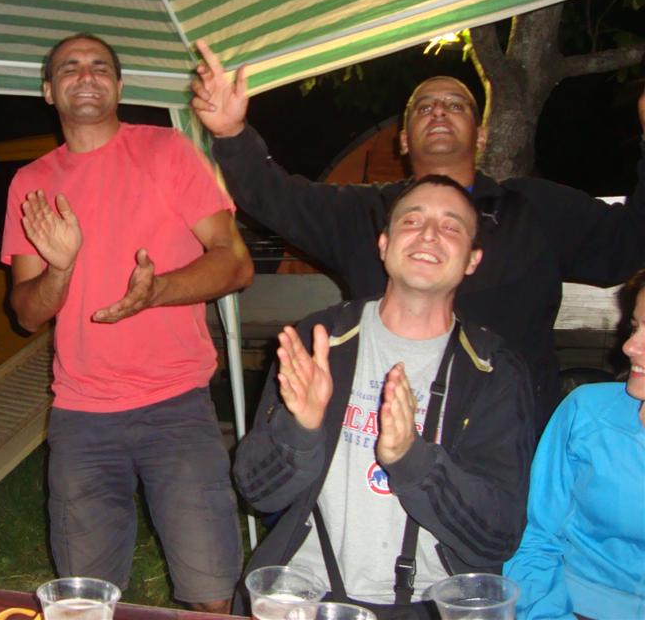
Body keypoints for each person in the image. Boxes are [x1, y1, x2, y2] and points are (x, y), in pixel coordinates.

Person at [191, 41, 645, 432]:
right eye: (424, 108)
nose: (439, 111)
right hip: (387, 427)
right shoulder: (365, 213)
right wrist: (231, 134)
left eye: (456, 105)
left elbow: (628, 244)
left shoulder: (536, 209)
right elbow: (277, 198)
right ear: (404, 140)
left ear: (481, 135)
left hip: (508, 438)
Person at [0, 34, 254, 612]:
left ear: (118, 86)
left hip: (177, 405)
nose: (85, 76)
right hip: (81, 417)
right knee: (85, 603)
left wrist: (157, 290)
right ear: (48, 91)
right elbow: (27, 314)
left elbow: (236, 263)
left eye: (100, 67)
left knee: (212, 595)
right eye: (69, 68)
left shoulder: (168, 151)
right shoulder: (30, 184)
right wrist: (60, 268)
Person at [233, 175, 535, 616]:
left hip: (432, 605)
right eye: (412, 220)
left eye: (450, 226)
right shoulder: (322, 339)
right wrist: (300, 430)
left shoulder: (492, 371)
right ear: (383, 244)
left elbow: (497, 534)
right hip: (305, 595)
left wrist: (412, 460)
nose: (428, 234)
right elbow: (257, 492)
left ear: (472, 260)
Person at [504, 268, 645, 619]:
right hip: (575, 608)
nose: (629, 346)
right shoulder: (587, 411)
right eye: (635, 327)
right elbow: (535, 536)